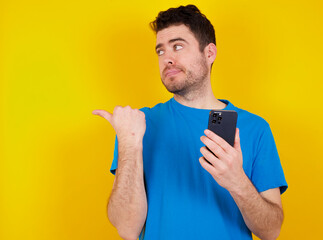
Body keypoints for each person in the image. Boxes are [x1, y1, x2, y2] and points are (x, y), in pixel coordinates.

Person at [92, 4, 287, 240]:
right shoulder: (138, 125)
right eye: (160, 51)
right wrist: (129, 145)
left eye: (177, 46)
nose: (167, 59)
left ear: (209, 53)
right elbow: (126, 229)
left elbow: (271, 231)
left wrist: (237, 181)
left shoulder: (255, 128)